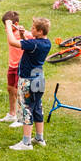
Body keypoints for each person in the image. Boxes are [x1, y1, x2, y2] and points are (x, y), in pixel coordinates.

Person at [10, 17, 51, 151]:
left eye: (33, 28)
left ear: (39, 31)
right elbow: (29, 46)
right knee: (37, 107)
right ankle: (39, 138)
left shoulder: (34, 44)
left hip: (28, 80)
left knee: (26, 108)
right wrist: (22, 35)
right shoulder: (46, 43)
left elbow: (12, 42)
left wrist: (8, 26)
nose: (30, 29)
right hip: (39, 78)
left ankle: (26, 143)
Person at [0, 10, 22, 125]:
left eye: (7, 25)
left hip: (20, 66)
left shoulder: (24, 34)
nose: (6, 28)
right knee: (10, 89)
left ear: (16, 24)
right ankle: (12, 114)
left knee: (19, 92)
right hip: (11, 65)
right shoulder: (10, 32)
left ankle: (20, 116)